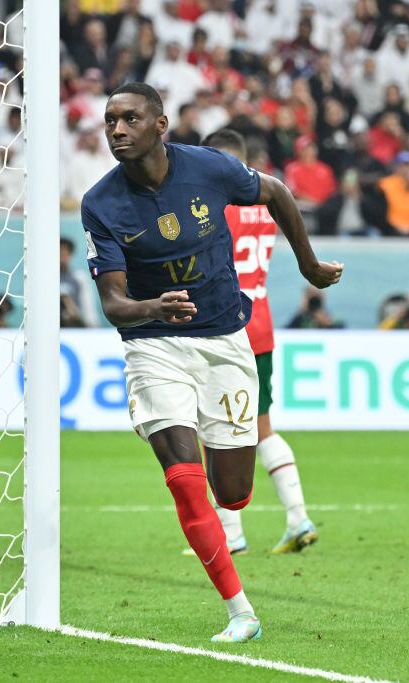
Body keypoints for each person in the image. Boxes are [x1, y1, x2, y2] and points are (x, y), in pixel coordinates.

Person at [81, 83, 342, 642]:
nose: (117, 130)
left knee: (233, 493)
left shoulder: (209, 169)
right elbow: (113, 304)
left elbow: (274, 192)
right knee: (183, 480)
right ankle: (240, 612)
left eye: (129, 119)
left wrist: (311, 265)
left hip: (225, 338)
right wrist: (152, 307)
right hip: (152, 343)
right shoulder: (100, 203)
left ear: (160, 124)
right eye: (109, 121)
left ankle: (218, 468)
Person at [199, 128, 321, 558]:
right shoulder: (267, 200)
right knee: (262, 426)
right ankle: (297, 517)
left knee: (213, 426)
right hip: (261, 320)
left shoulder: (215, 202)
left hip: (223, 321)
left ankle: (230, 534)